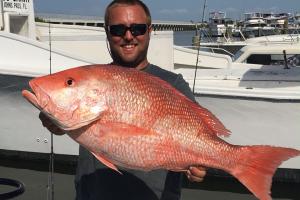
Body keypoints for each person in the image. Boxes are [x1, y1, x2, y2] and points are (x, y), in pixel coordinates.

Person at [39, 0, 206, 199]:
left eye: (138, 28)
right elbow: (85, 126)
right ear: (107, 32)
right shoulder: (92, 80)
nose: (128, 36)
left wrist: (198, 167)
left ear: (150, 31)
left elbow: (200, 140)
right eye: (118, 29)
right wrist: (56, 121)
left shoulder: (174, 84)